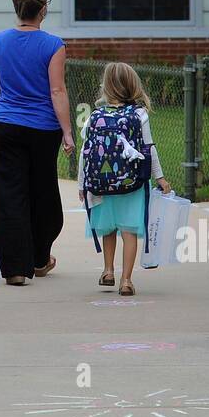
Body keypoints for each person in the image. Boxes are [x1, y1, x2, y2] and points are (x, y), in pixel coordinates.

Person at [0, 0, 74, 286]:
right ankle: (39, 259)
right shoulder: (53, 45)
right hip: (43, 130)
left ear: (17, 8)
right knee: (43, 193)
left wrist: (8, 114)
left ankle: (14, 269)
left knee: (10, 195)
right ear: (43, 9)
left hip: (6, 127)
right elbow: (57, 91)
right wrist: (67, 132)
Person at [78, 62, 171, 297]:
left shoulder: (95, 115)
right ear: (132, 85)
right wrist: (159, 177)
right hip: (132, 183)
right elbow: (149, 148)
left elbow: (85, 152)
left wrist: (82, 184)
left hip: (101, 183)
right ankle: (126, 280)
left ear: (106, 87)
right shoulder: (139, 114)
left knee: (108, 229)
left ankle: (108, 271)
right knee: (129, 231)